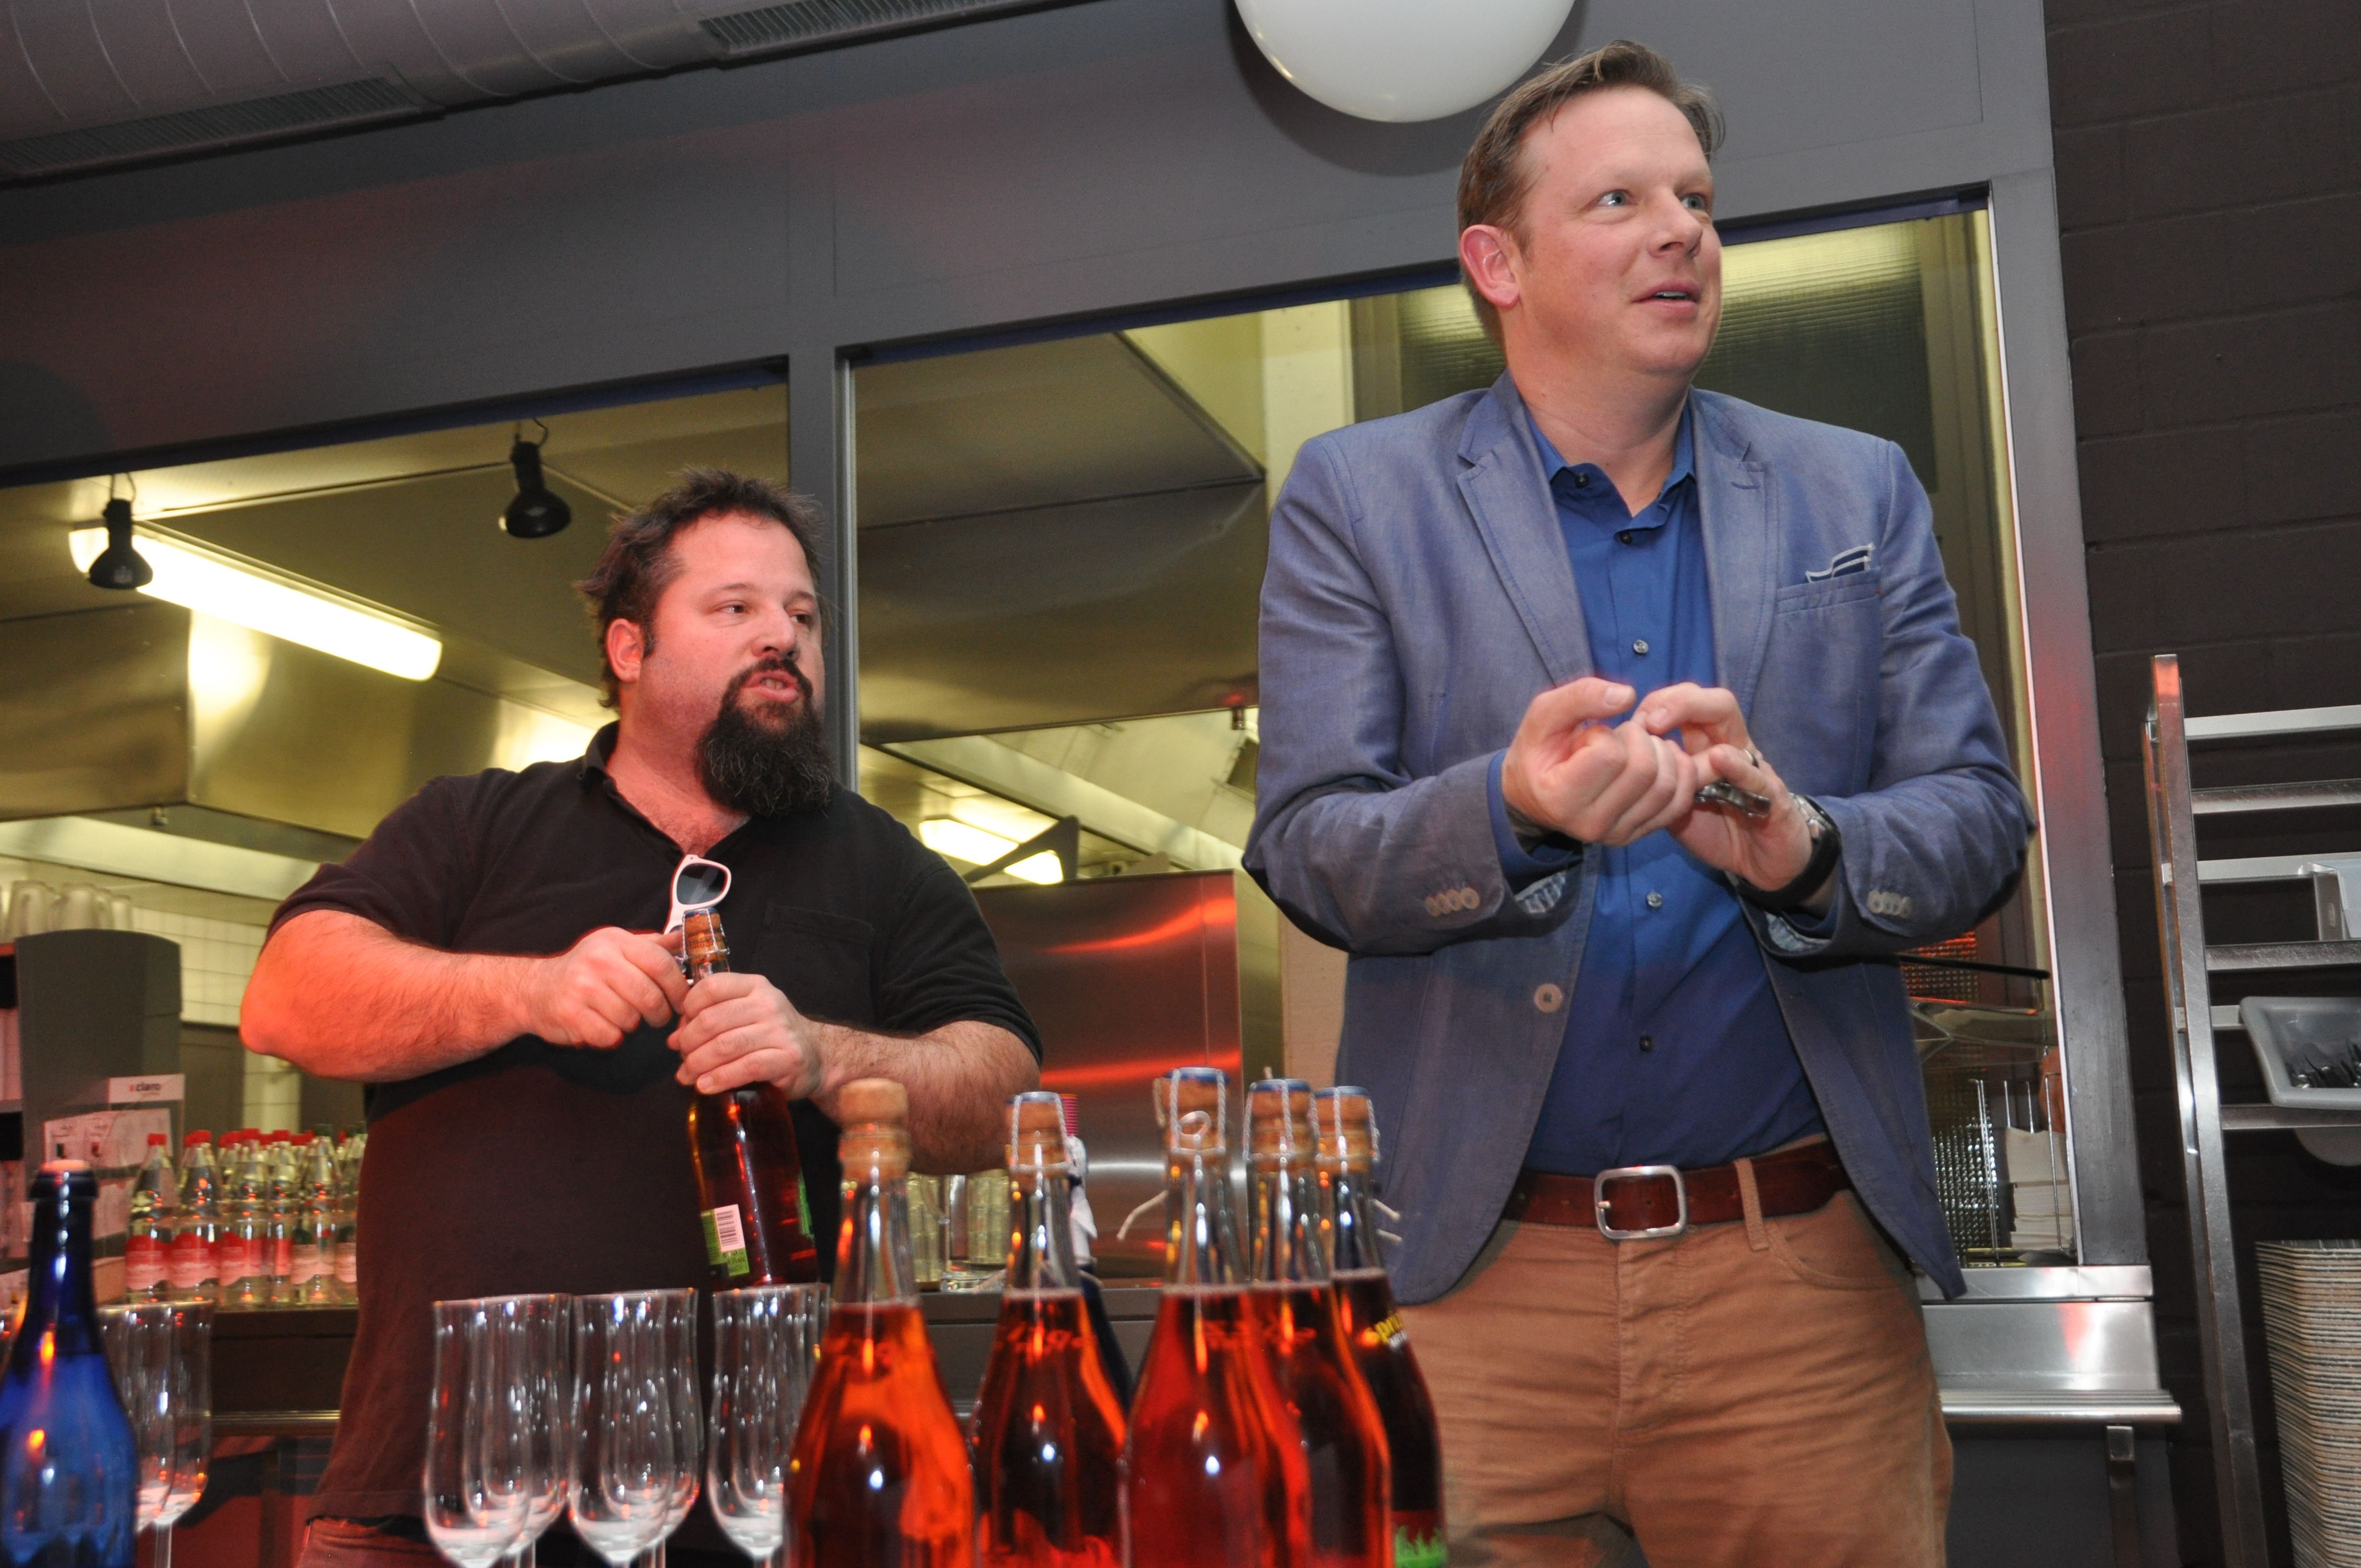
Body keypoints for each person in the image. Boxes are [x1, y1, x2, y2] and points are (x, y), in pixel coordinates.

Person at [1244, 40, 2032, 1568]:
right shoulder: (1359, 495)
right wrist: (1511, 809)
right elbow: (1309, 842)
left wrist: (1803, 848)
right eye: (1620, 200)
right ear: (1498, 264)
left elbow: (1977, 817)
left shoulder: (1854, 490)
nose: (1682, 231)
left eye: (1697, 200)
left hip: (1794, 1287)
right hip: (1471, 1290)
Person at [243, 468, 1042, 1568]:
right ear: (629, 648)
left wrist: (822, 1055)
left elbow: (1003, 1091)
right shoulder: (476, 825)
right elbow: (285, 995)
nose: (783, 637)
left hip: (759, 1503)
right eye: (735, 607)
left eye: (801, 615)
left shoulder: (880, 864)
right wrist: (528, 990)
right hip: (440, 1505)